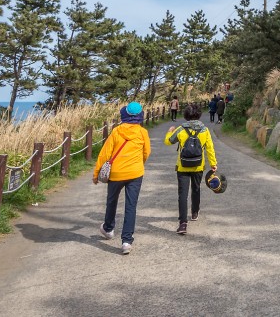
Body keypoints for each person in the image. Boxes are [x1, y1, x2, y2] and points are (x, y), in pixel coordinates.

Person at [93, 101, 151, 254]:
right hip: (135, 173)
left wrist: (96, 173)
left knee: (111, 201)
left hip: (116, 174)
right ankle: (126, 241)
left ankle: (108, 228)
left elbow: (105, 154)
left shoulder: (117, 131)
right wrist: (139, 163)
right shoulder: (142, 132)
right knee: (131, 206)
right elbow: (146, 152)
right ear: (139, 116)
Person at [164, 104, 217, 235]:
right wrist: (213, 163)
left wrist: (170, 131)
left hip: (183, 166)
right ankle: (194, 212)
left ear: (186, 115)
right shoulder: (205, 130)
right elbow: (210, 148)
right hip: (198, 165)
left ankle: (182, 223)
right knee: (196, 188)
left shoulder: (181, 129)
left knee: (182, 194)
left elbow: (168, 141)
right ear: (199, 114)